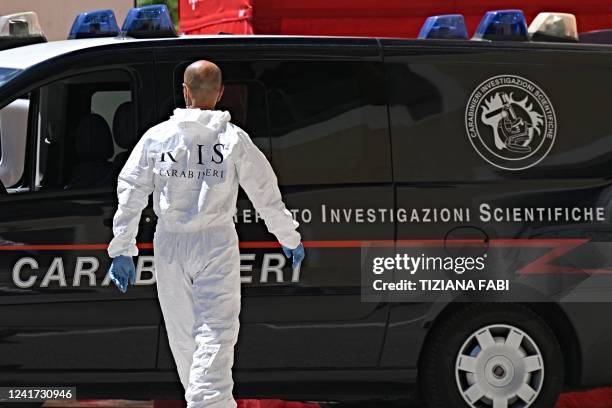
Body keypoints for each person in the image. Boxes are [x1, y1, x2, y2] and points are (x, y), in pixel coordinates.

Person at [106, 60, 305, 408]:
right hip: (215, 244)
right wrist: (289, 237)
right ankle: (206, 402)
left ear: (185, 91)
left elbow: (131, 190)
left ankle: (203, 401)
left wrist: (123, 248)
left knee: (185, 340)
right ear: (221, 92)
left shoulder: (157, 138)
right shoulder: (232, 140)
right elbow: (265, 192)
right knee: (215, 334)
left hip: (169, 244)